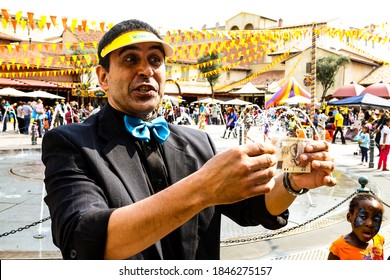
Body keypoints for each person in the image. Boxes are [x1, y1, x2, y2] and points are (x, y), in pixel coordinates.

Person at [42, 19, 336, 260]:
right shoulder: (71, 143)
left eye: (155, 60)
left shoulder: (198, 142)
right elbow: (82, 240)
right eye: (131, 59)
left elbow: (253, 209)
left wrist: (292, 183)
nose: (146, 70)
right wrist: (205, 187)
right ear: (103, 77)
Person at [328, 193, 385, 260]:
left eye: (376, 219)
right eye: (363, 217)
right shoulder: (338, 248)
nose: (370, 224)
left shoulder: (379, 240)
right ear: (349, 217)